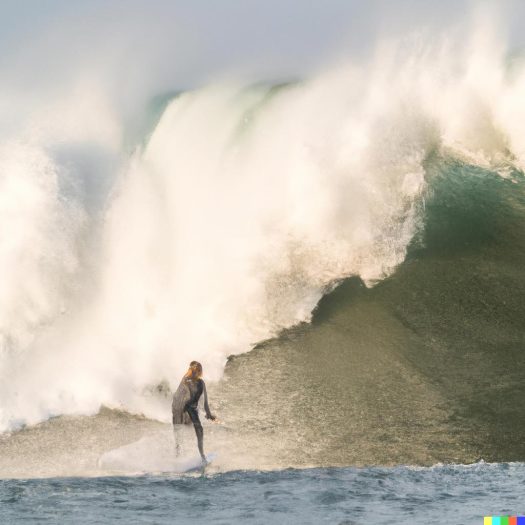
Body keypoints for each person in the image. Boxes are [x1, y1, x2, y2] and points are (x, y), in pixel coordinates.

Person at [172, 361, 216, 462]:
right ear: (191, 371)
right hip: (180, 407)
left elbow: (205, 400)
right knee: (178, 430)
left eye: (199, 370)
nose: (197, 372)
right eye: (195, 370)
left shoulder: (201, 383)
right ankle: (177, 454)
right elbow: (179, 396)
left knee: (199, 429)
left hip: (191, 408)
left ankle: (202, 455)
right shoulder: (185, 381)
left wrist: (208, 414)